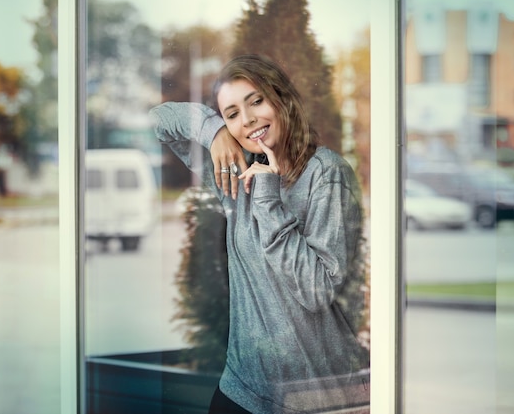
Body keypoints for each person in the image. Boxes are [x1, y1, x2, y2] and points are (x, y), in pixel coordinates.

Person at [150, 54, 369, 414]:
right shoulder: (234, 172)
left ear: (281, 99)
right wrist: (214, 132)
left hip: (308, 399)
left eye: (256, 101)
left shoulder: (326, 173)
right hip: (241, 391)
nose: (248, 119)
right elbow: (159, 121)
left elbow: (316, 290)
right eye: (232, 112)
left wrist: (267, 197)